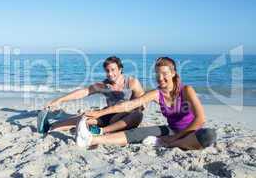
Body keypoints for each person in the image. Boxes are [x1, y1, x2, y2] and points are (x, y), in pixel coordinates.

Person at [76, 57, 217, 150]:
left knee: (209, 135)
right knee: (136, 133)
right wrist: (100, 112)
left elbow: (200, 119)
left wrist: (174, 138)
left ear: (173, 73)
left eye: (164, 74)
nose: (160, 78)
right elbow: (129, 105)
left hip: (191, 133)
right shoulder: (157, 93)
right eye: (157, 74)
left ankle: (169, 143)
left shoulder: (186, 90)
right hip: (171, 129)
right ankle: (91, 140)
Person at [38, 56, 145, 134]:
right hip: (108, 115)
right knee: (83, 119)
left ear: (120, 69)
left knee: (138, 113)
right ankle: (50, 127)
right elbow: (83, 92)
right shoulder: (104, 85)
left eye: (113, 70)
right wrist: (59, 100)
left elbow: (143, 99)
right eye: (107, 71)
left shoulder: (131, 82)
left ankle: (101, 131)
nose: (110, 74)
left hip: (126, 118)